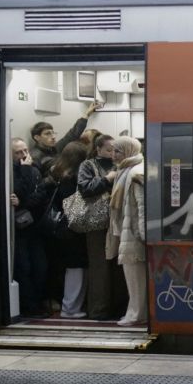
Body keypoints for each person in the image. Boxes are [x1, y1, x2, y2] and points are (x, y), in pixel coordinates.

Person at [78, 134, 125, 320]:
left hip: (118, 220)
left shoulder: (121, 165)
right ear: (98, 149)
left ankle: (119, 307)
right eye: (108, 150)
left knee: (119, 265)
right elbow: (85, 189)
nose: (113, 154)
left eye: (115, 150)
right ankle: (99, 310)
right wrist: (107, 179)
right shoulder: (88, 165)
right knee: (99, 266)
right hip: (96, 223)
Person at [106, 137, 147, 327]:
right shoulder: (127, 170)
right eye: (113, 151)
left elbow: (142, 205)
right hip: (129, 230)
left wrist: (143, 234)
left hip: (133, 233)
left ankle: (136, 314)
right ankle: (136, 312)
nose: (113, 155)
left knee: (135, 277)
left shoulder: (134, 172)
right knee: (134, 276)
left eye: (118, 151)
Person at [11, 138, 52, 318]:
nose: (23, 155)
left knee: (40, 267)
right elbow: (16, 191)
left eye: (25, 151)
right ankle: (29, 306)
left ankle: (37, 302)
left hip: (35, 226)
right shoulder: (12, 172)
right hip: (18, 229)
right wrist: (25, 170)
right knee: (24, 267)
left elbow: (40, 195)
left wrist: (22, 203)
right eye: (18, 152)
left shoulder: (34, 170)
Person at [48, 142, 90, 319]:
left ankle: (70, 306)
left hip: (62, 227)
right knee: (77, 267)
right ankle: (71, 308)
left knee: (71, 268)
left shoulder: (56, 173)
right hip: (73, 228)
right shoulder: (73, 178)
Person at [29, 101, 99, 174]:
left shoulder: (54, 148)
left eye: (53, 133)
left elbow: (73, 134)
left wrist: (87, 114)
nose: (53, 137)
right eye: (47, 134)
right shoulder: (34, 156)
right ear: (37, 137)